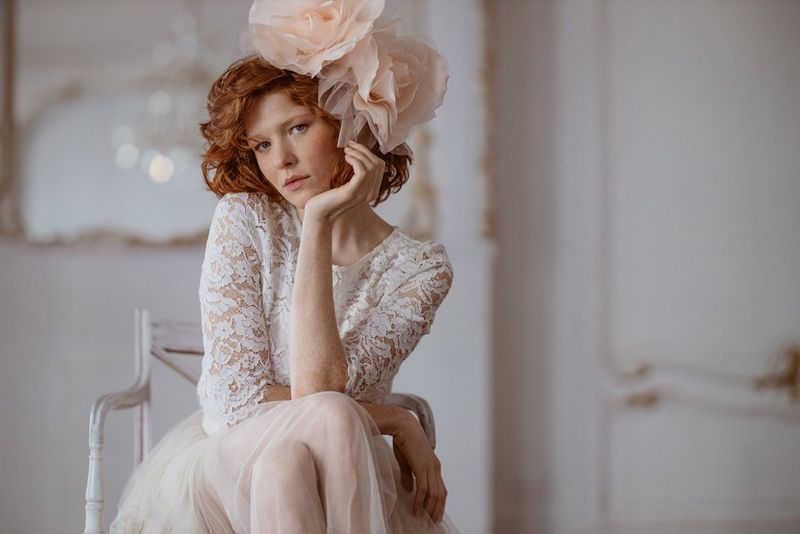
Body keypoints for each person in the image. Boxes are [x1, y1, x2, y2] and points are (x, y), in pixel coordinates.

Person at [109, 1, 457, 532]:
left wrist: (317, 226)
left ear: (350, 124)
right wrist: (394, 419)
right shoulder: (245, 218)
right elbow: (236, 398)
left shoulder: (419, 269)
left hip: (333, 460)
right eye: (263, 145)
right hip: (228, 459)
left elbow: (321, 390)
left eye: (297, 127)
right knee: (330, 419)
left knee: (287, 465)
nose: (281, 160)